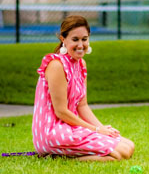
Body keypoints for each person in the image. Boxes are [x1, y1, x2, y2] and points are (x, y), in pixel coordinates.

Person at [32, 15, 134, 161]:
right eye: (75, 40)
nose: (81, 45)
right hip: (53, 132)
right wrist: (95, 130)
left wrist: (103, 129)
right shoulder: (56, 65)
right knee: (119, 154)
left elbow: (82, 105)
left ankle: (63, 155)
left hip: (72, 127)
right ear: (63, 39)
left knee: (129, 146)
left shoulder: (81, 64)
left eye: (84, 39)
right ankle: (59, 157)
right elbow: (61, 112)